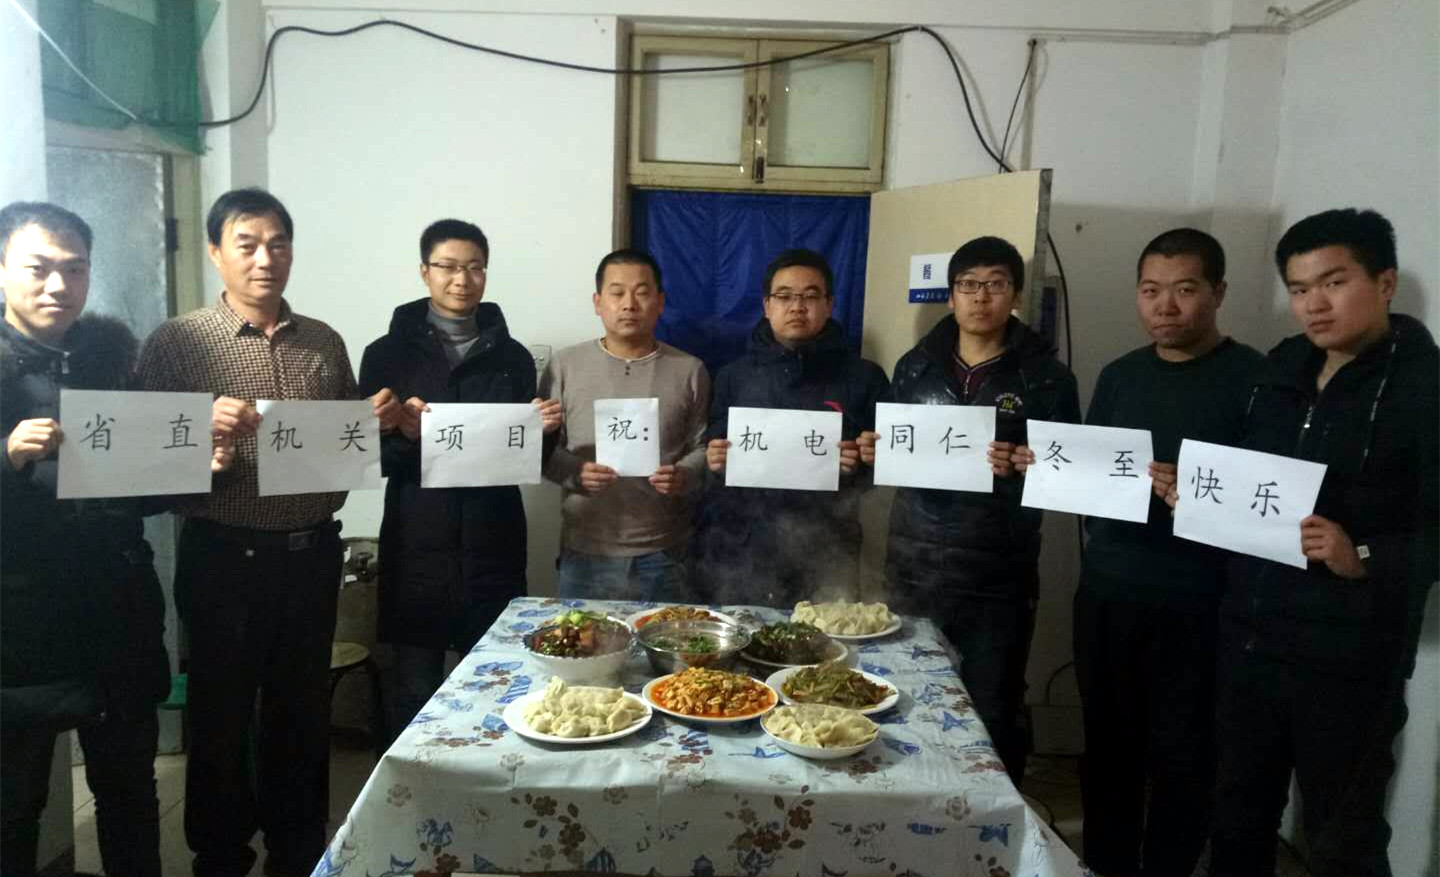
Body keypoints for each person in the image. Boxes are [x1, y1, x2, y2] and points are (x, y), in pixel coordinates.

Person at [136, 188, 402, 877]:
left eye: (278, 244)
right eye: (247, 244)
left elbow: (341, 447)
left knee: (301, 714)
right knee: (221, 716)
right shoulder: (178, 342)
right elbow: (138, 460)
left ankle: (299, 849)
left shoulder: (323, 342)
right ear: (215, 252)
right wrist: (203, 445)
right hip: (223, 556)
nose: (265, 259)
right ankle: (220, 855)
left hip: (310, 555)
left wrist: (371, 421)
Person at [1189, 209, 1437, 877]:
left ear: (1384, 282)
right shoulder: (1280, 369)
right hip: (1252, 641)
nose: (1314, 305)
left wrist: (1367, 555)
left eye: (1334, 282)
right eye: (1299, 289)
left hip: (1351, 660)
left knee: (1343, 837)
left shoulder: (1423, 387)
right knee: (1237, 816)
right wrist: (1199, 495)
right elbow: (1250, 480)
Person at [0, 202, 228, 877]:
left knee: (129, 790)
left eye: (75, 269)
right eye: (38, 268)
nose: (58, 285)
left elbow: (137, 492)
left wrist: (196, 467)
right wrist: (6, 455)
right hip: (18, 624)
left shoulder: (112, 365)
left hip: (117, 613)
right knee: (14, 803)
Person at [1059, 229, 1264, 877]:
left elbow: (1272, 500)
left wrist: (1196, 493)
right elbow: (1092, 476)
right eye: (1151, 291)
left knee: (1185, 758)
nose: (1165, 307)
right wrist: (1051, 468)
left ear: (1218, 292)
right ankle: (1104, 865)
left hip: (1199, 605)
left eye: (1184, 289)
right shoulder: (1120, 375)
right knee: (1107, 750)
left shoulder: (1256, 381)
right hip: (1107, 594)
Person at [861, 235, 1079, 786]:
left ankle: (995, 815)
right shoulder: (914, 367)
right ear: (951, 295)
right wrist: (875, 450)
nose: (981, 297)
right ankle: (909, 799)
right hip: (912, 564)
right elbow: (895, 449)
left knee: (993, 705)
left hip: (996, 574)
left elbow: (1071, 475)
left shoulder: (1047, 378)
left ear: (1016, 295)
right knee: (904, 694)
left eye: (996, 284)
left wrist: (1027, 464)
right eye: (968, 285)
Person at [359, 218, 559, 740]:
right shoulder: (385, 355)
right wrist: (405, 433)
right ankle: (411, 787)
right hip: (416, 538)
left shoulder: (513, 357)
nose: (461, 279)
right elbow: (370, 456)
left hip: (493, 537)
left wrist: (546, 431)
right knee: (414, 690)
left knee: (496, 684)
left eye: (474, 268)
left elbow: (525, 460)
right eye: (447, 266)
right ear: (424, 271)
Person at [694, 248, 888, 606]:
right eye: (784, 296)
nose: (797, 307)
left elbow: (883, 467)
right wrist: (716, 461)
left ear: (829, 305)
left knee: (829, 638)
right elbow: (713, 458)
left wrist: (860, 463)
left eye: (810, 296)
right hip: (745, 548)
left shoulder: (864, 377)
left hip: (829, 547)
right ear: (767, 306)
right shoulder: (733, 376)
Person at [539, 248, 709, 601]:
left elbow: (704, 446)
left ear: (660, 302)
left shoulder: (689, 370)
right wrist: (575, 472)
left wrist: (686, 474)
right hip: (587, 551)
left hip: (667, 552)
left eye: (642, 293)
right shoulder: (564, 366)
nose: (629, 304)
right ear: (598, 302)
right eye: (617, 293)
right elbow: (540, 450)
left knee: (669, 639)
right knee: (584, 637)